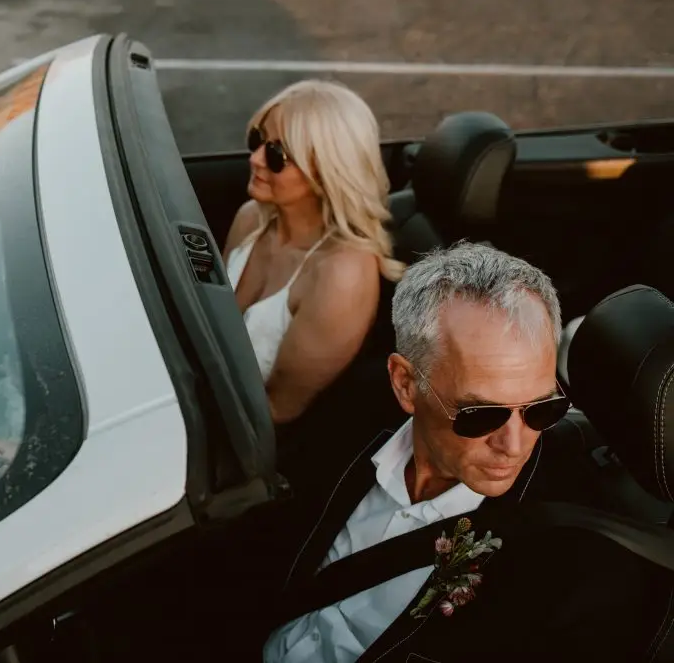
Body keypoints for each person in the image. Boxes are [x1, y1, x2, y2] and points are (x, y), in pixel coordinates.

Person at [261, 241, 656, 663]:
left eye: (543, 410)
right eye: (480, 415)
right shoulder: (349, 415)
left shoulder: (569, 563)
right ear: (406, 385)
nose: (514, 444)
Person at [223, 80, 403, 425]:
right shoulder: (251, 219)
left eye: (277, 155)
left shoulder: (342, 274)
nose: (256, 159)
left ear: (326, 170)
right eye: (257, 141)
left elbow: (277, 410)